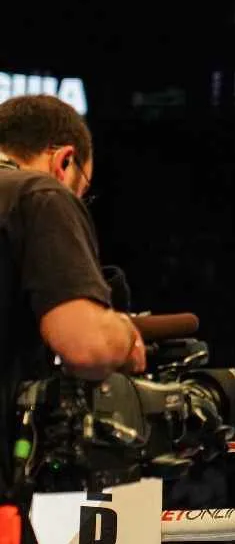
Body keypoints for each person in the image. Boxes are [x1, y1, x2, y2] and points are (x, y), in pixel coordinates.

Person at [0, 95, 146, 543]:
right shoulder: (35, 194)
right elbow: (86, 343)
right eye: (83, 189)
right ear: (63, 160)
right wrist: (125, 333)